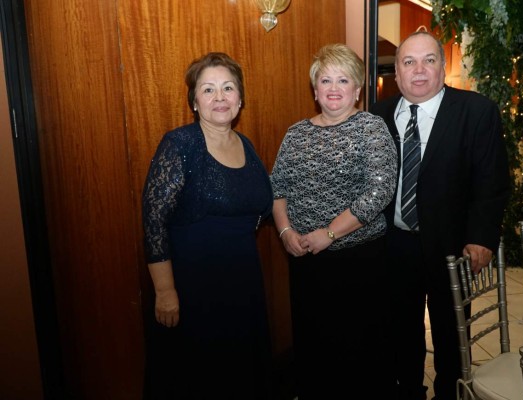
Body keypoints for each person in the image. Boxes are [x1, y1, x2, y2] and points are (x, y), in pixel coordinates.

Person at [370, 31, 511, 400]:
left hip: (453, 246)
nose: (419, 71)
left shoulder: (476, 111)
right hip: (394, 243)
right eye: (408, 62)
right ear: (397, 73)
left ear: (442, 67)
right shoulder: (377, 115)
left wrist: (481, 236)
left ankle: (449, 392)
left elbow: (492, 181)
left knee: (450, 330)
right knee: (401, 327)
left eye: (428, 60)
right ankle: (407, 390)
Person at [141, 52, 274, 399]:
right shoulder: (180, 144)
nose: (220, 98)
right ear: (195, 101)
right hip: (193, 291)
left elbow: (261, 208)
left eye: (228, 88)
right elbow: (154, 220)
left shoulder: (245, 144)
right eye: (209, 89)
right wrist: (165, 292)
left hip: (243, 287)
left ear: (240, 99)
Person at [270, 43, 398, 399]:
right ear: (315, 90)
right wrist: (285, 232)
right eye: (325, 80)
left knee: (358, 352)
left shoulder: (370, 128)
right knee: (314, 346)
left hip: (358, 264)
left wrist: (328, 233)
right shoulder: (296, 134)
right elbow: (277, 189)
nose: (333, 88)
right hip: (306, 262)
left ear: (357, 90)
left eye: (343, 80)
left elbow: (379, 191)